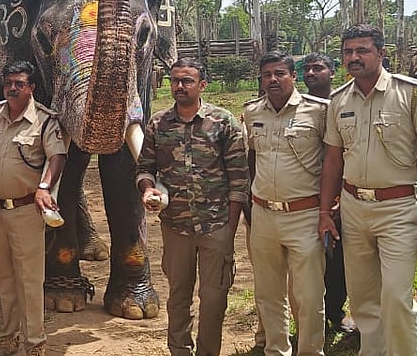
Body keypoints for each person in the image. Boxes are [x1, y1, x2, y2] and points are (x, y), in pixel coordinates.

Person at [317, 25, 417, 356]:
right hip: (353, 207)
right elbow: (333, 160)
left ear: (381, 53)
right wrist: (324, 212)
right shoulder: (339, 100)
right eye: (348, 52)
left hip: (398, 208)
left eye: (362, 50)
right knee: (362, 297)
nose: (353, 58)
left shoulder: (413, 93)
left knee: (395, 295)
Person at [138, 58, 248, 356]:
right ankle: (180, 351)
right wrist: (148, 188)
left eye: (187, 81)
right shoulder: (158, 124)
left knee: (214, 298)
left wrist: (230, 229)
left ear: (202, 85)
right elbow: (145, 168)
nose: (180, 86)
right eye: (175, 80)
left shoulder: (224, 122)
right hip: (176, 227)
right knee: (178, 298)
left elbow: (239, 179)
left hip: (216, 226)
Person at [244, 52, 330, 356]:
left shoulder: (319, 112)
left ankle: (309, 351)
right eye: (266, 75)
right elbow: (252, 157)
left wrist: (327, 209)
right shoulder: (252, 112)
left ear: (294, 76)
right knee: (268, 293)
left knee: (308, 294)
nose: (272, 80)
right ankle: (275, 350)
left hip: (304, 214)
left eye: (279, 73)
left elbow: (334, 159)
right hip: (264, 213)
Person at [0, 61, 67, 356]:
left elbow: (57, 156)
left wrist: (44, 187)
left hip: (26, 210)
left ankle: (35, 342)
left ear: (31, 87)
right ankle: (8, 336)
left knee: (30, 279)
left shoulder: (44, 120)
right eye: (9, 83)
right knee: (3, 278)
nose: (13, 88)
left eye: (20, 83)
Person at [300, 52, 355, 336]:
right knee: (311, 262)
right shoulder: (298, 107)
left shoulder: (345, 103)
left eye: (318, 68)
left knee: (339, 259)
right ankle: (311, 319)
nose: (311, 73)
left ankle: (335, 311)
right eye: (306, 69)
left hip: (344, 193)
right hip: (308, 195)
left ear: (332, 72)